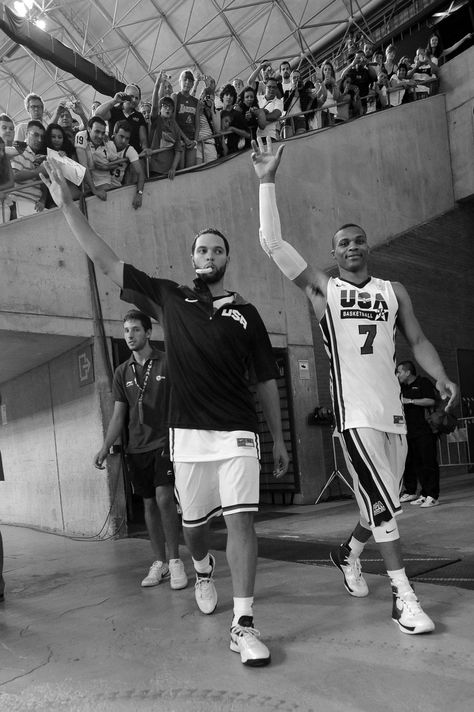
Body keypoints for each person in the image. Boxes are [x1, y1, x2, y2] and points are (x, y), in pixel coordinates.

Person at [40, 158, 289, 667]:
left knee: (243, 522)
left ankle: (242, 624)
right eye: (201, 248)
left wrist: (281, 440)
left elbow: (266, 378)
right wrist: (68, 208)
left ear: (227, 259)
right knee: (195, 528)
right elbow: (108, 261)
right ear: (192, 256)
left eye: (217, 249)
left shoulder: (248, 313)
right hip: (188, 437)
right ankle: (200, 566)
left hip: (238, 432)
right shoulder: (169, 298)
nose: (208, 254)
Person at [251, 138, 458, 636]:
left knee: (378, 505)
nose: (352, 247)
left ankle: (348, 553)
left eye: (358, 240)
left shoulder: (394, 291)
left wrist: (440, 375)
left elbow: (420, 339)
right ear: (334, 252)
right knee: (388, 506)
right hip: (355, 417)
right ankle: (404, 598)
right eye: (343, 242)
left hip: (393, 415)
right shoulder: (325, 289)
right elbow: (273, 245)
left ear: (368, 246)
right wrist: (266, 180)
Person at [94, 310, 188, 590]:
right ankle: (159, 562)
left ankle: (175, 561)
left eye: (135, 329)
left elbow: (183, 401)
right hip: (137, 447)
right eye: (126, 331)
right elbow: (118, 414)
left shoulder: (167, 362)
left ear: (148, 332)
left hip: (165, 442)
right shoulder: (122, 372)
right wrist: (105, 446)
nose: (130, 335)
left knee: (163, 498)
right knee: (148, 502)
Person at [396, 361, 440, 507]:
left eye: (399, 372)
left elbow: (430, 400)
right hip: (409, 432)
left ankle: (433, 495)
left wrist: (410, 401)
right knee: (418, 464)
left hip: (425, 431)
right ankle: (424, 493)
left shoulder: (423, 382)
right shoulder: (401, 387)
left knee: (429, 463)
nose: (397, 375)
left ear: (408, 372)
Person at [96, 84, 150, 155]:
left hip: (134, 155)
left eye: (137, 98)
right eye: (131, 96)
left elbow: (143, 140)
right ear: (125, 95)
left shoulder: (139, 116)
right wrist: (114, 101)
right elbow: (98, 114)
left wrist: (145, 149)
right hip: (114, 156)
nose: (134, 100)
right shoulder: (114, 110)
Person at [10, 120, 47, 217]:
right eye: (35, 135)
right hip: (19, 205)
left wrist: (42, 201)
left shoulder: (39, 157)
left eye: (42, 137)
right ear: (26, 134)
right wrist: (38, 171)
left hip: (35, 207)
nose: (39, 140)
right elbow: (14, 175)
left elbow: (44, 185)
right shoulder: (18, 151)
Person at [148, 95, 183, 180]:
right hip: (155, 169)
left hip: (169, 172)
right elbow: (155, 106)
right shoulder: (156, 120)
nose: (168, 109)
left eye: (170, 107)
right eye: (165, 106)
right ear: (160, 109)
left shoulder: (175, 127)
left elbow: (178, 150)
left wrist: (173, 168)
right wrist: (157, 85)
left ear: (173, 111)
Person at [171, 70, 200, 169]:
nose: (187, 82)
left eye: (190, 80)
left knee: (191, 170)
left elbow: (197, 124)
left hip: (192, 141)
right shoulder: (175, 97)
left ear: (192, 84)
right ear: (180, 81)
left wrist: (195, 141)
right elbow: (172, 120)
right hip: (179, 141)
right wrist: (185, 139)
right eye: (185, 79)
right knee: (181, 171)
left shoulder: (196, 102)